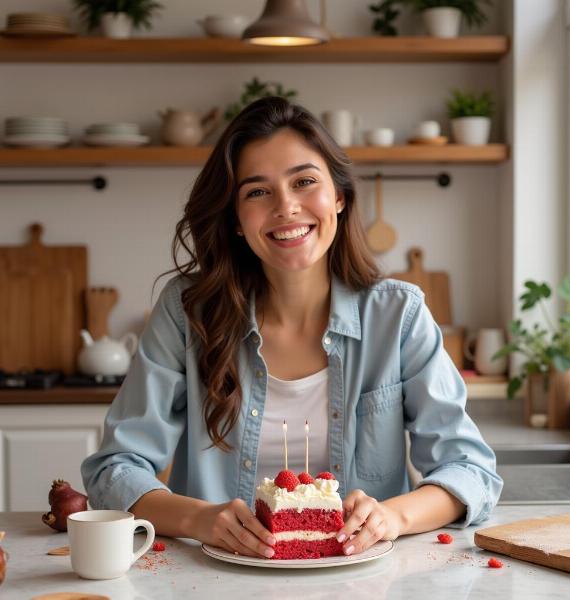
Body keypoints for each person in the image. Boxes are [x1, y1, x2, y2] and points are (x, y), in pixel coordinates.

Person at [82, 96, 502, 560]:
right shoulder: (187, 313)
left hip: (365, 584)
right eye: (257, 191)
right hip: (215, 584)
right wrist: (199, 518)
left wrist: (393, 516)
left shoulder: (398, 317)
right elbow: (115, 469)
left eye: (304, 181)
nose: (286, 207)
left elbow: (470, 472)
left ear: (338, 197)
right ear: (237, 220)